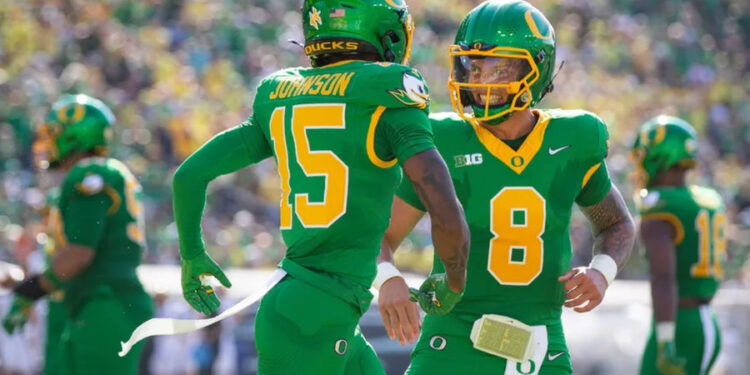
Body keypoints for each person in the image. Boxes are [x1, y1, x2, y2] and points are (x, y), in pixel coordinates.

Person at [171, 0, 470, 374]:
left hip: (309, 306)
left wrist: (192, 255)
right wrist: (454, 281)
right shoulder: (386, 90)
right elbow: (442, 203)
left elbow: (188, 175)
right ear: (387, 33)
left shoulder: (279, 93)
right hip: (317, 313)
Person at [374, 1, 635, 374]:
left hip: (540, 342)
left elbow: (616, 224)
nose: (480, 82)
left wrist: (602, 271)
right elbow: (379, 235)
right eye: (473, 67)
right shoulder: (442, 140)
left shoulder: (574, 139)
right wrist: (389, 279)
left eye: (499, 68)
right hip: (453, 340)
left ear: (536, 68)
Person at [2, 94, 154, 375]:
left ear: (76, 135)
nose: (47, 143)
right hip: (96, 302)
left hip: (105, 302)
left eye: (54, 134)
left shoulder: (89, 173)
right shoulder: (103, 172)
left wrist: (32, 289)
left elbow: (80, 253)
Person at [632, 116, 725, 375]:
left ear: (660, 156)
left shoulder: (662, 205)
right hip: (704, 319)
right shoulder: (708, 199)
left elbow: (663, 278)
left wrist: (665, 337)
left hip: (680, 323)